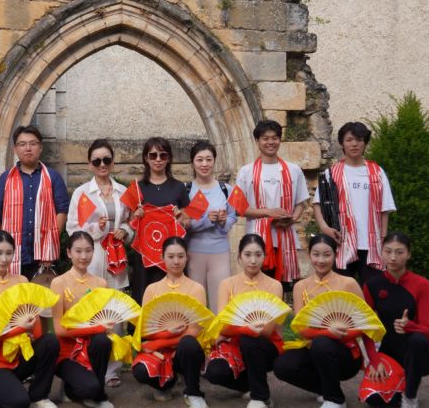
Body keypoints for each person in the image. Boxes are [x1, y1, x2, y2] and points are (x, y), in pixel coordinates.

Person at [273, 234, 369, 408]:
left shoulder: (348, 283)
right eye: (316, 254)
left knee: (322, 343)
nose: (321, 260)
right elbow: (301, 329)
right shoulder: (301, 286)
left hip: (345, 352)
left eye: (327, 255)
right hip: (313, 347)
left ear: (335, 255)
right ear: (309, 254)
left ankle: (335, 400)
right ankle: (327, 389)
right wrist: (328, 332)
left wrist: (340, 334)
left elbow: (366, 322)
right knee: (283, 366)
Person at [66, 138, 135, 387]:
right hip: (92, 254)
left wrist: (125, 230)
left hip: (116, 255)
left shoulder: (123, 192)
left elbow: (131, 222)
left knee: (114, 309)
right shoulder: (81, 193)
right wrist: (97, 228)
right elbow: (72, 228)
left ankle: (112, 368)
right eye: (97, 161)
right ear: (90, 164)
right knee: (91, 307)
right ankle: (87, 361)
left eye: (106, 159)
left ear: (113, 162)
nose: (102, 164)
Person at [0, 231, 60, 408]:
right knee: (19, 404)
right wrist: (19, 329)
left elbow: (33, 318)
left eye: (9, 253)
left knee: (50, 342)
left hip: (19, 356)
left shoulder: (21, 281)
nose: (4, 259)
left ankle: (39, 396)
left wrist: (34, 337)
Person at [362, 232, 429, 408]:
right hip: (388, 353)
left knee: (417, 340)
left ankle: (410, 399)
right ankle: (401, 386)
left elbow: (426, 329)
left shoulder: (422, 284)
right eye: (388, 251)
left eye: (399, 252)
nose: (393, 257)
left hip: (420, 354)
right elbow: (366, 328)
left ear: (408, 254)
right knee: (374, 401)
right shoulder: (372, 285)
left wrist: (409, 326)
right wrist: (374, 361)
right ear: (381, 253)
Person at [204, 234, 283, 408]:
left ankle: (260, 398)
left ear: (265, 256)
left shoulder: (274, 286)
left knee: (250, 339)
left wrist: (238, 329)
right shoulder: (227, 284)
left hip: (266, 344)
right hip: (235, 344)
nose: (253, 260)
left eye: (258, 255)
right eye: (247, 255)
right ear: (239, 257)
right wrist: (238, 329)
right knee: (214, 372)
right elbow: (222, 325)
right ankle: (255, 384)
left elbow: (267, 330)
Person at [132, 237, 209, 408]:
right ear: (162, 258)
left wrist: (162, 340)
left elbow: (195, 329)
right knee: (140, 371)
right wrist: (167, 335)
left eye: (180, 256)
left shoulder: (196, 289)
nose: (176, 261)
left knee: (189, 343)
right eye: (171, 256)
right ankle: (165, 385)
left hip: (185, 350)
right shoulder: (152, 289)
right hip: (160, 353)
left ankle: (193, 392)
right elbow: (145, 330)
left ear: (187, 257)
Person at [312, 121, 396, 284]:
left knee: (372, 289)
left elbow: (384, 209)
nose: (354, 144)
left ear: (365, 143)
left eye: (359, 139)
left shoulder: (377, 172)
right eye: (349, 140)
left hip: (371, 244)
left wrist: (383, 238)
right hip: (341, 242)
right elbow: (318, 204)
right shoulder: (332, 173)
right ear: (342, 143)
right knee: (341, 289)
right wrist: (325, 228)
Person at [0, 125, 69, 280]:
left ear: (40, 147)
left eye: (33, 143)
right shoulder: (5, 179)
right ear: (15, 149)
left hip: (43, 257)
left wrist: (49, 245)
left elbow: (62, 211)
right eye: (22, 144)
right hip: (11, 255)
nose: (28, 148)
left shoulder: (53, 177)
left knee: (41, 295)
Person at [236, 120, 309, 286]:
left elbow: (300, 203)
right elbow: (239, 208)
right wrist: (268, 213)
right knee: (258, 286)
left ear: (280, 140)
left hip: (285, 237)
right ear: (257, 141)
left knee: (282, 287)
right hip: (257, 239)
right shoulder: (246, 171)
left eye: (275, 138)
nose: (270, 142)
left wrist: (291, 219)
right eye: (265, 138)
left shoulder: (294, 170)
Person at [50, 231, 115, 408]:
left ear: (94, 252)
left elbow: (102, 322)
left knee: (103, 341)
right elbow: (59, 330)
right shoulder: (58, 283)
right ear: (69, 253)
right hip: (67, 352)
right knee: (88, 388)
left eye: (88, 250)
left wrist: (104, 327)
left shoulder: (100, 283)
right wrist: (95, 329)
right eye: (78, 251)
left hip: (92, 347)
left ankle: (98, 394)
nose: (83, 256)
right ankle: (74, 388)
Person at [129, 137, 192, 304]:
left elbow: (188, 222)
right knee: (143, 298)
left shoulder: (179, 187)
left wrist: (181, 219)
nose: (158, 159)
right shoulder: (136, 187)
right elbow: (129, 223)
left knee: (170, 300)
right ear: (146, 158)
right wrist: (136, 215)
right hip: (144, 254)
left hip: (171, 256)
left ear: (169, 158)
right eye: (153, 155)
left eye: (163, 155)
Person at [185, 140, 237, 313]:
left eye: (209, 159)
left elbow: (233, 216)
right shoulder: (186, 190)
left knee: (221, 302)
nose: (204, 164)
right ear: (192, 162)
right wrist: (206, 220)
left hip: (220, 251)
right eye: (199, 160)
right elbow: (184, 224)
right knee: (195, 303)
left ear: (215, 161)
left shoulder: (227, 189)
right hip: (193, 251)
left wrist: (223, 221)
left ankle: (220, 331)